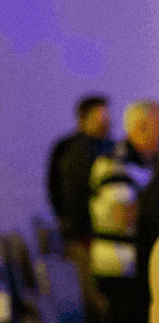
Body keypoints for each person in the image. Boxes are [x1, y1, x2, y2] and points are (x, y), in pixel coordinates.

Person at [89, 99, 159, 323]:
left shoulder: (143, 163)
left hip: (134, 261)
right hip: (120, 265)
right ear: (141, 127)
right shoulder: (116, 161)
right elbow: (124, 214)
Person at [47, 94, 113, 248]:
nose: (107, 121)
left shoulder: (110, 147)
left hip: (103, 235)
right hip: (82, 236)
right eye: (101, 116)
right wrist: (67, 220)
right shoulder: (68, 149)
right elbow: (56, 188)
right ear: (84, 118)